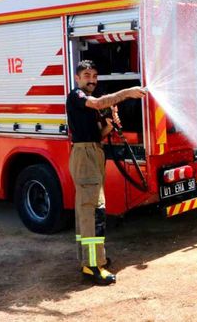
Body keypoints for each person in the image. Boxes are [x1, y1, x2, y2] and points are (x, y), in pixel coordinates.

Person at [67, 60, 147, 285]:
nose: (91, 79)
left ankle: (89, 261)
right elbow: (100, 102)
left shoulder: (88, 105)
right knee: (93, 211)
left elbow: (99, 134)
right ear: (77, 78)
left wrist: (111, 124)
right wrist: (128, 93)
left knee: (90, 209)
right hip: (85, 155)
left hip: (93, 152)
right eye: (86, 75)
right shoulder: (77, 96)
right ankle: (93, 267)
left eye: (94, 75)